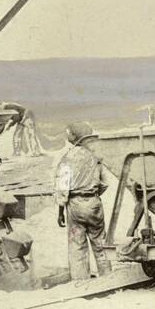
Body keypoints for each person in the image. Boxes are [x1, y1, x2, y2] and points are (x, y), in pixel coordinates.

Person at [54, 121, 111, 282]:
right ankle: (108, 278)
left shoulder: (67, 158)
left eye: (69, 133)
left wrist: (60, 211)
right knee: (100, 242)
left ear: (75, 136)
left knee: (77, 245)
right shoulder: (95, 157)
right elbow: (105, 183)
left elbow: (62, 187)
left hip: (75, 204)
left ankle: (80, 281)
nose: (67, 136)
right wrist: (93, 194)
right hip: (94, 203)